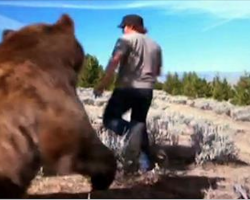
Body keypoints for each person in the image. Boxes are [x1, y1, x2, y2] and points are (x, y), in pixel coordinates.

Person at [94, 14, 163, 173]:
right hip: (146, 90)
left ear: (131, 26)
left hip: (127, 88)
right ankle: (146, 165)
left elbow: (114, 61)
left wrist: (102, 84)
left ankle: (135, 141)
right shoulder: (155, 45)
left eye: (124, 27)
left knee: (110, 119)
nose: (123, 30)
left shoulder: (126, 40)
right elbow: (157, 71)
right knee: (138, 122)